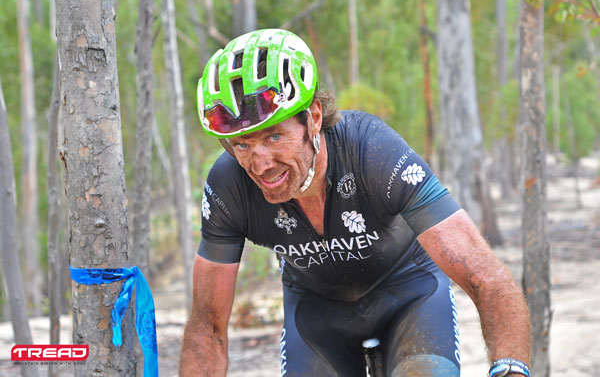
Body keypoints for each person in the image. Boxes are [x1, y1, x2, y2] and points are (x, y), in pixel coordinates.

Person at [180, 29, 531, 377]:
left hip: (409, 296)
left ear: (313, 118)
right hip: (317, 314)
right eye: (242, 145)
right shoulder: (230, 186)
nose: (261, 164)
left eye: (275, 136)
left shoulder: (373, 153)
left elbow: (486, 276)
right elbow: (208, 325)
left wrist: (511, 369)